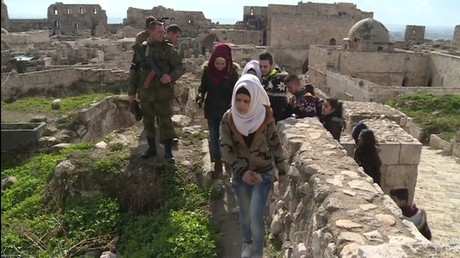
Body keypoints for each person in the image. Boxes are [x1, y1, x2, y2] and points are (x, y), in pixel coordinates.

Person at [220, 74, 286, 258]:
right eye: (238, 100)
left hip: (262, 173)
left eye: (246, 101)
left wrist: (281, 170)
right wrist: (241, 171)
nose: (241, 105)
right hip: (241, 175)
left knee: (256, 213)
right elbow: (225, 148)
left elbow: (275, 143)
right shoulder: (229, 118)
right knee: (245, 212)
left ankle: (257, 252)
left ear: (255, 99)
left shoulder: (265, 116)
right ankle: (247, 243)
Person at [128, 20, 185, 163]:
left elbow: (180, 67)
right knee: (148, 122)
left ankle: (167, 151)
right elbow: (134, 72)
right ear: (151, 32)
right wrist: (131, 94)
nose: (163, 34)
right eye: (159, 32)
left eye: (164, 32)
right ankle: (151, 148)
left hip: (163, 94)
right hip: (146, 94)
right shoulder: (142, 49)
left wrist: (170, 77)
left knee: (165, 121)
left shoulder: (169, 49)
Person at [196, 43, 239, 178]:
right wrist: (200, 97)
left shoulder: (232, 73)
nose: (220, 67)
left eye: (222, 64)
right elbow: (203, 88)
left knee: (227, 137)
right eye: (217, 63)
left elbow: (236, 91)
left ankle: (229, 161)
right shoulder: (208, 71)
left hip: (227, 110)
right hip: (212, 107)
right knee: (213, 136)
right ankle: (218, 161)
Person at [259, 52, 288, 123]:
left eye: (265, 66)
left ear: (272, 65)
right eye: (260, 66)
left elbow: (280, 105)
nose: (262, 69)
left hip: (274, 121)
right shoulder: (264, 77)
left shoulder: (279, 80)